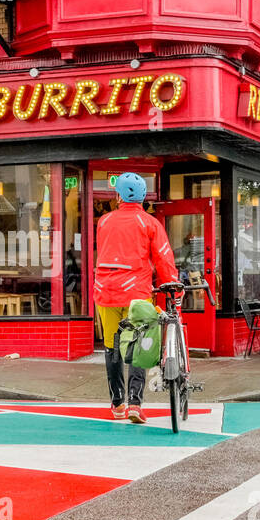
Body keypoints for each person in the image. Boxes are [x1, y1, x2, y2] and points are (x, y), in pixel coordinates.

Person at [94, 172, 179, 423]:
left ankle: (117, 403)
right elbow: (163, 258)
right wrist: (173, 286)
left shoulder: (104, 222)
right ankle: (135, 403)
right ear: (143, 197)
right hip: (137, 295)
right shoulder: (150, 223)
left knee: (112, 347)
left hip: (106, 292)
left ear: (118, 195)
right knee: (139, 347)